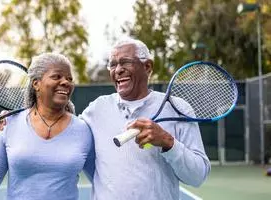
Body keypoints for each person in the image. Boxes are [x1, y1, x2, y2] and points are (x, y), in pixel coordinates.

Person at [79, 37, 210, 199]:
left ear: (147, 67)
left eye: (125, 62)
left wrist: (167, 142)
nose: (118, 70)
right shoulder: (96, 109)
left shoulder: (179, 109)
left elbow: (197, 176)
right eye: (113, 64)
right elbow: (77, 150)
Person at [0, 52, 95, 200]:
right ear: (36, 84)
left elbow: (103, 180)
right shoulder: (9, 124)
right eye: (56, 76)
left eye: (69, 79)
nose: (66, 82)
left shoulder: (83, 130)